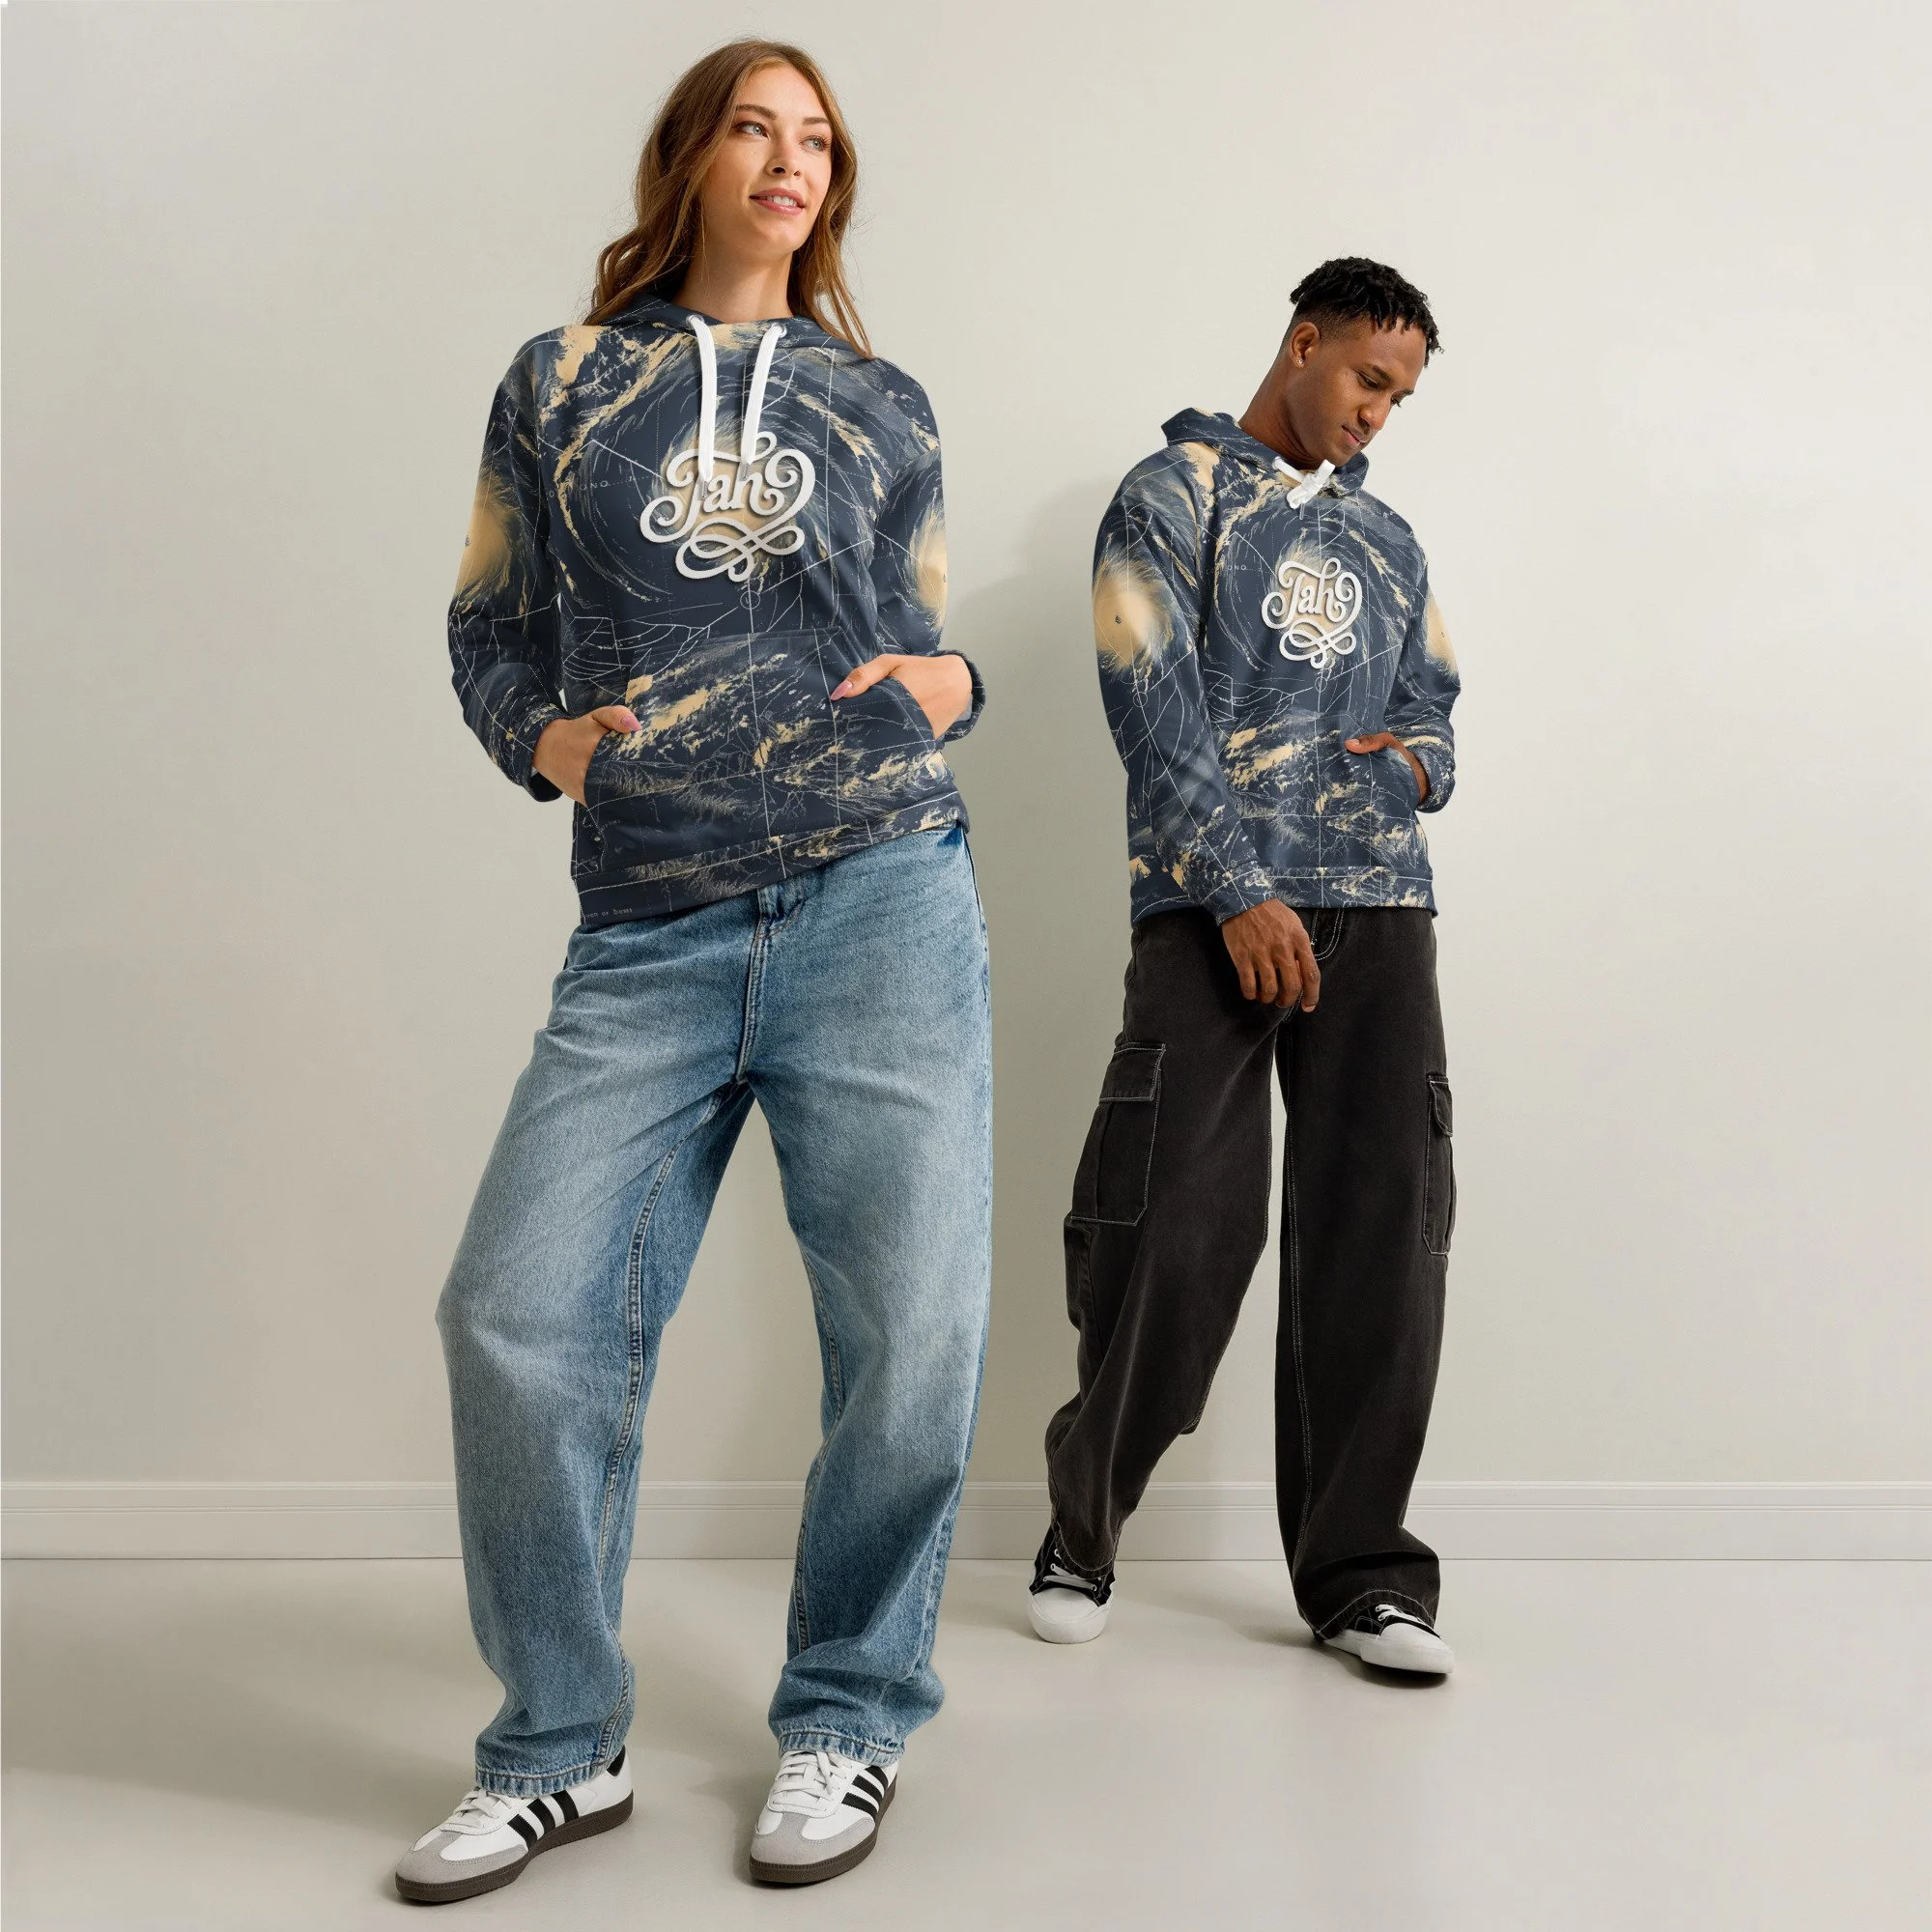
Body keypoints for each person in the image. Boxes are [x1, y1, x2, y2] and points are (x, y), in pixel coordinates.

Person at [396, 41, 991, 1902]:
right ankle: (559, 1747)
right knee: (513, 1311)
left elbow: (922, 630)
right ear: (691, 155)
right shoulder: (561, 380)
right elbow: (488, 619)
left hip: (881, 892)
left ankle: (852, 1712)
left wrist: (959, 684)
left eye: (819, 140)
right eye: (756, 126)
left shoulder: (880, 400)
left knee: (912, 1329)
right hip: (649, 919)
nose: (792, 161)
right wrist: (547, 742)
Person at [1029, 259, 1462, 1677]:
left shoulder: (1389, 541)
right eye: (1366, 380)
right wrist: (1235, 891)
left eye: (1400, 398)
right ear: (1302, 342)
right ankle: (1084, 1527)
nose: (1377, 414)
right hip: (1214, 910)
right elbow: (1147, 705)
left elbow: (1434, 708)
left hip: (1380, 906)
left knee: (1382, 1234)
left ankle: (1360, 1577)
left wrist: (1413, 764)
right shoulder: (1170, 496)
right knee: (1176, 1221)